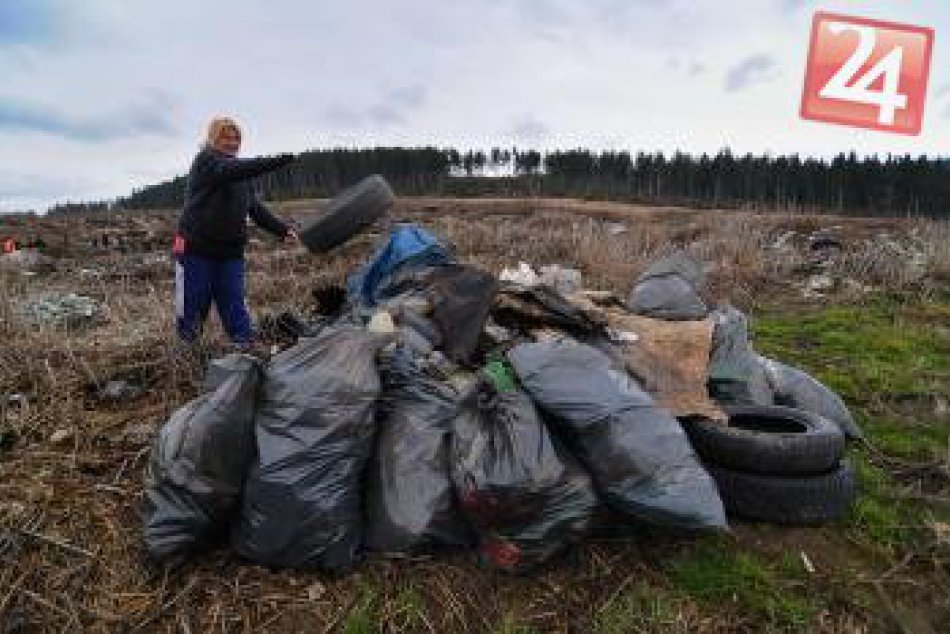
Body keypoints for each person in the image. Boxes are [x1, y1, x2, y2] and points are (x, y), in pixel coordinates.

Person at [174, 116, 298, 349]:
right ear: (213, 139)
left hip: (230, 251)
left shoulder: (239, 174)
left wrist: (282, 230)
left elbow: (255, 209)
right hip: (195, 249)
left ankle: (245, 349)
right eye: (226, 138)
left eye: (236, 138)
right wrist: (274, 161)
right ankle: (186, 353)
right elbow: (230, 170)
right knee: (193, 302)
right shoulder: (206, 161)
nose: (232, 143)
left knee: (234, 301)